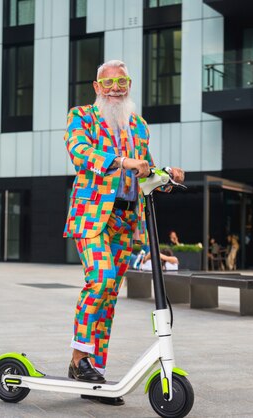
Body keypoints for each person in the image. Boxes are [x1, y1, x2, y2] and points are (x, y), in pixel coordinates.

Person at [62, 59, 185, 405]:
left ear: (129, 85)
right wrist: (121, 161)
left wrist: (168, 177)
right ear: (97, 87)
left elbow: (145, 174)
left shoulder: (140, 126)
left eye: (123, 81)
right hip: (92, 217)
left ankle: (94, 375)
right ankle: (78, 359)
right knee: (99, 280)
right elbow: (80, 153)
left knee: (110, 297)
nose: (116, 87)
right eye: (109, 82)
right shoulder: (82, 116)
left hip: (126, 222)